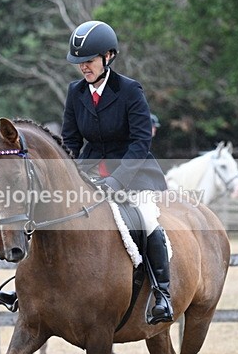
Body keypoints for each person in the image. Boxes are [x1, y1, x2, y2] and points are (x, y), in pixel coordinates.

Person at [61, 20, 173, 324]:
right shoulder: (75, 92)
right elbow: (70, 139)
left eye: (89, 61)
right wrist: (70, 173)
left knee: (146, 218)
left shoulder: (129, 90)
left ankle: (162, 293)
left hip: (132, 171)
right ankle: (31, 289)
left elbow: (141, 140)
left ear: (108, 56)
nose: (84, 68)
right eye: (79, 63)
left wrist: (117, 179)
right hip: (89, 172)